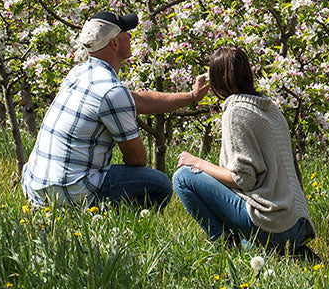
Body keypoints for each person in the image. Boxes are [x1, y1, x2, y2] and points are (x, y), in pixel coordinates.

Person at [22, 11, 209, 209]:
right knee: (157, 184)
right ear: (114, 43)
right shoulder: (111, 92)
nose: (130, 36)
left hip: (37, 186)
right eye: (126, 32)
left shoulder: (79, 72)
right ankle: (116, 226)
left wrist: (191, 97)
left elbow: (136, 100)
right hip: (70, 191)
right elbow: (137, 159)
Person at [172, 45, 315, 254]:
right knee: (252, 248)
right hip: (297, 222)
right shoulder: (271, 109)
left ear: (216, 81)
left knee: (183, 177)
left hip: (273, 223)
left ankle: (225, 246)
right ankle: (285, 251)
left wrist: (197, 162)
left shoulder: (236, 111)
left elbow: (243, 180)